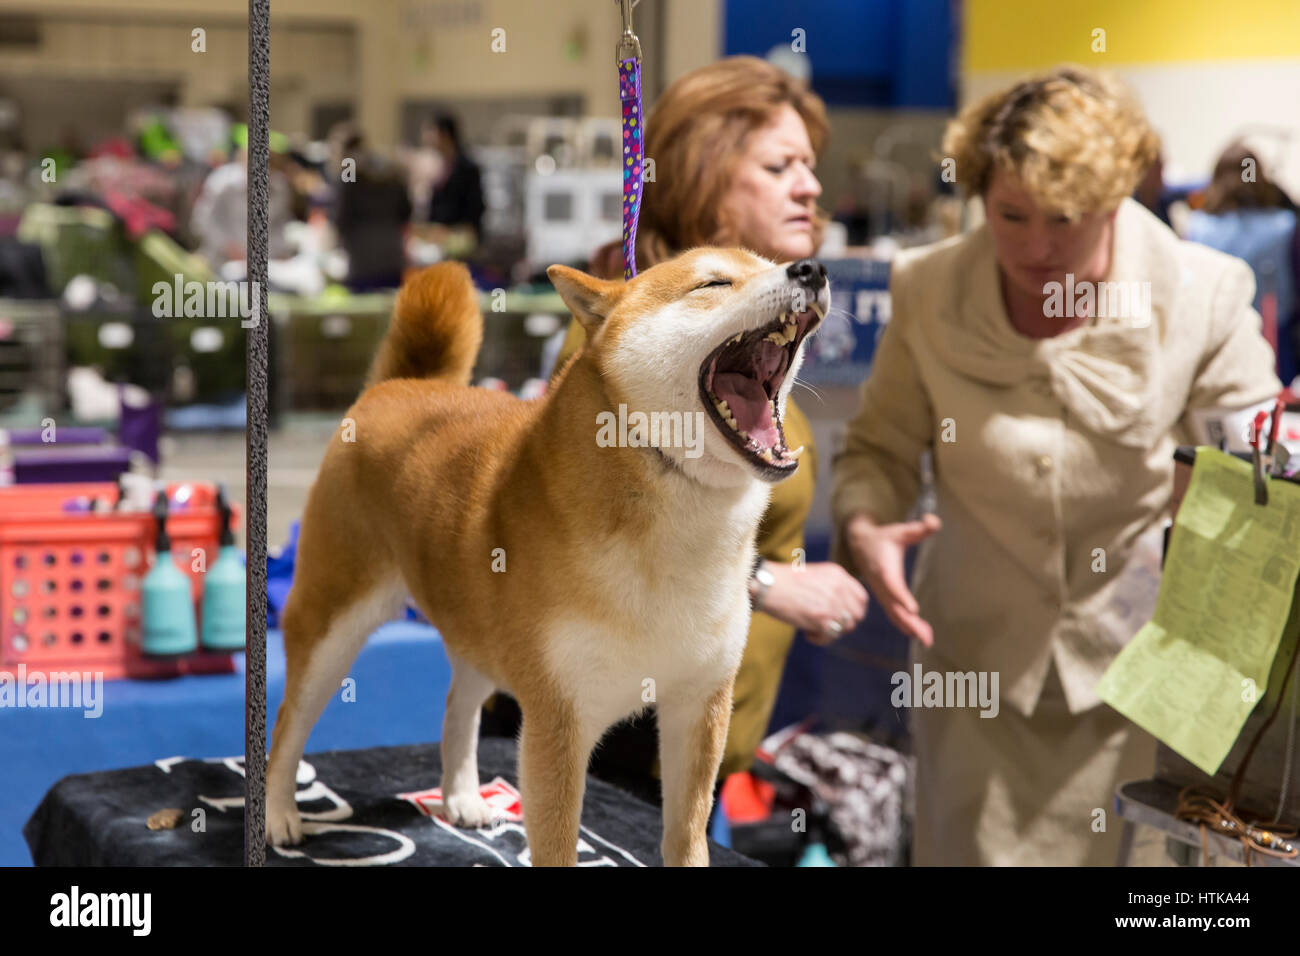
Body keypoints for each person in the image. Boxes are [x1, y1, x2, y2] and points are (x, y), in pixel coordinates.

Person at [831, 65, 1282, 866]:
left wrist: (1244, 483)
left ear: (1115, 201)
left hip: (1147, 683)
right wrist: (867, 526)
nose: (1036, 247)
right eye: (1011, 215)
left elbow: (1263, 460)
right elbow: (879, 449)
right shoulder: (928, 289)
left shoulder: (1201, 294)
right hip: (974, 673)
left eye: (1066, 220)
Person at [483, 56, 868, 805]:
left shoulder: (756, 325)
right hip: (604, 751)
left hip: (692, 757)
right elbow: (586, 528)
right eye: (781, 164)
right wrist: (768, 583)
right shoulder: (627, 332)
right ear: (704, 175)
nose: (810, 185)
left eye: (811, 166)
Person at [334, 131, 412, 291]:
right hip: (393, 255)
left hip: (363, 260)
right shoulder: (390, 165)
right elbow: (407, 211)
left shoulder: (349, 166)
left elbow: (343, 213)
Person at [426, 113, 485, 238]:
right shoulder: (440, 164)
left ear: (445, 135)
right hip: (440, 238)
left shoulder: (467, 168)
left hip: (460, 240)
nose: (429, 138)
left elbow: (475, 208)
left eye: (433, 133)